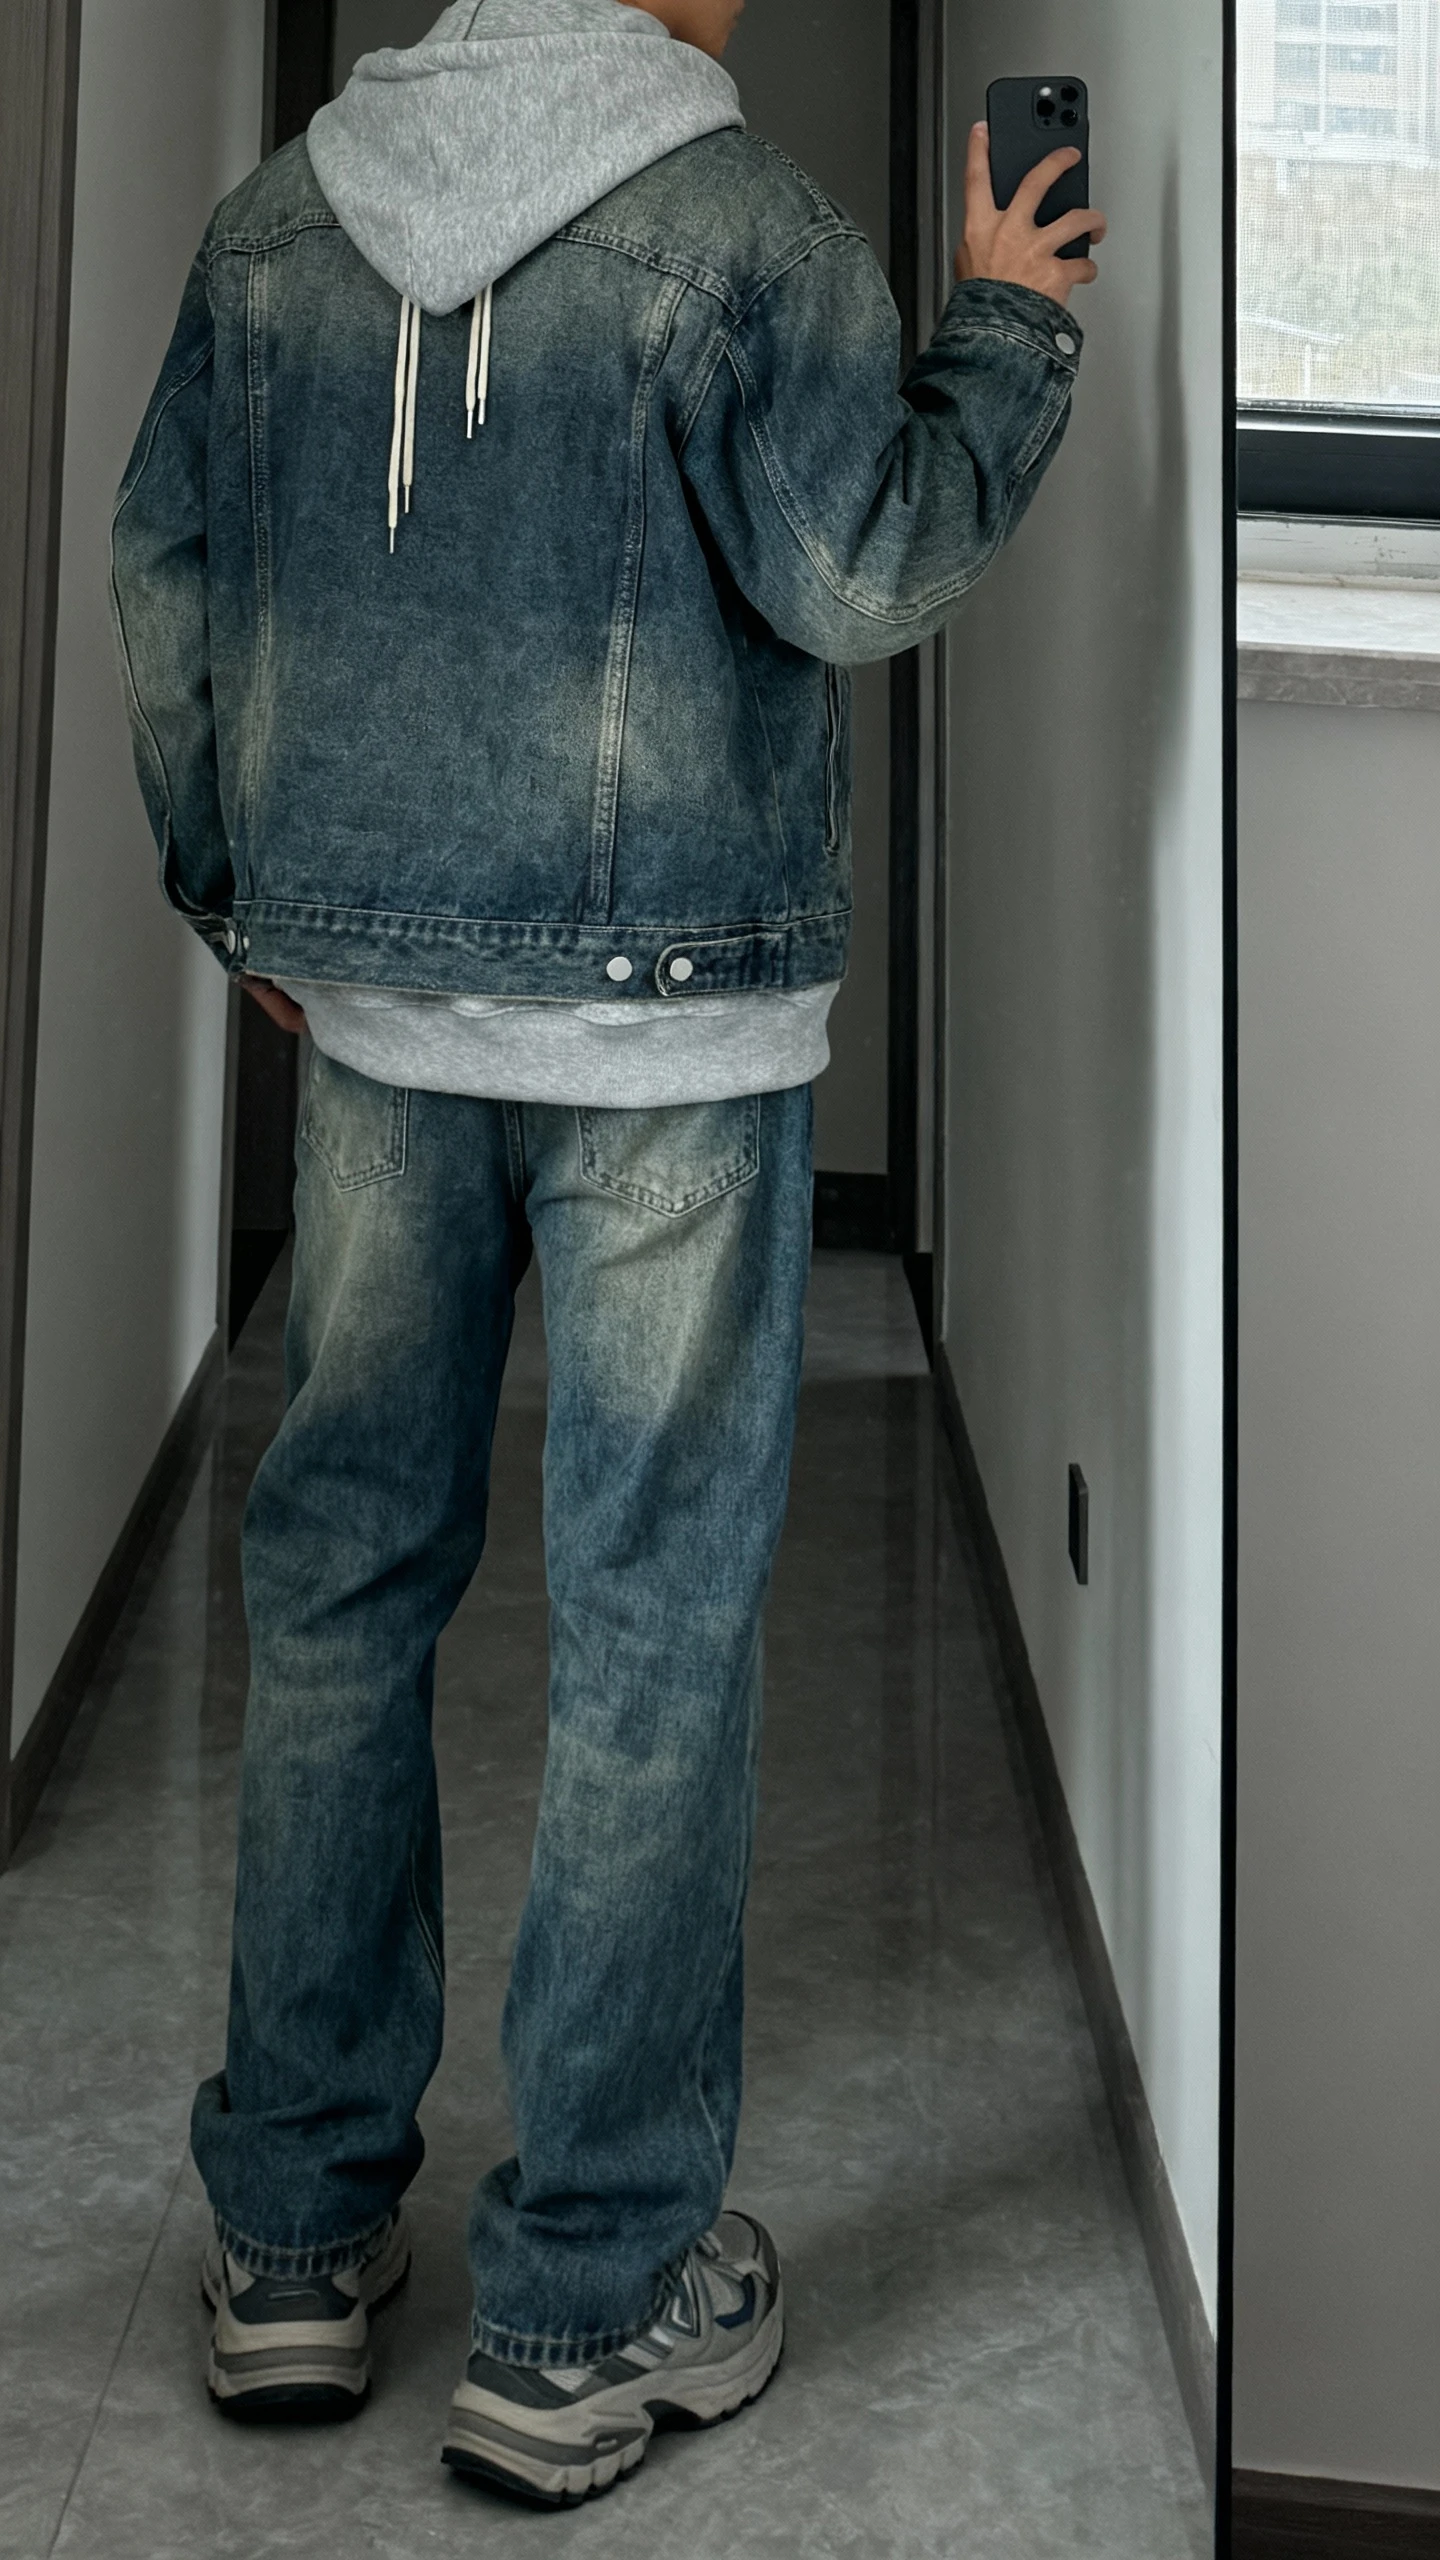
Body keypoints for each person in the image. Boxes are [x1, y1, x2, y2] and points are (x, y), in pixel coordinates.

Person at [110, 0, 1103, 2509]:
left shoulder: (274, 224)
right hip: (676, 1032)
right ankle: (582, 2303)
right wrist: (1011, 326)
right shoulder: (746, 226)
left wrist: (243, 874)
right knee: (650, 1623)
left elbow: (170, 574)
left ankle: (296, 2244)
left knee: (341, 1579)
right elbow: (863, 565)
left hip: (373, 1021)